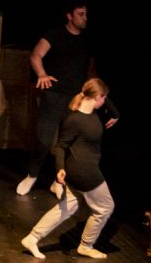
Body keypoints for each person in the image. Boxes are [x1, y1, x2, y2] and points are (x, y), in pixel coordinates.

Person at [16, 1, 118, 197]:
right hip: (53, 95)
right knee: (43, 140)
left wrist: (106, 104)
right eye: (81, 14)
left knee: (68, 144)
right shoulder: (54, 35)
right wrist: (42, 74)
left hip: (76, 99)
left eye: (86, 15)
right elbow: (36, 55)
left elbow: (91, 72)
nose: (85, 18)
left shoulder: (88, 41)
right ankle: (32, 175)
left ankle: (58, 181)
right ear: (69, 16)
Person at [20, 78, 119, 259]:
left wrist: (102, 93)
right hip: (84, 171)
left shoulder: (93, 114)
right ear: (97, 97)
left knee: (68, 206)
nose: (105, 102)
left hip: (81, 169)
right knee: (105, 207)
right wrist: (59, 169)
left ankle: (32, 238)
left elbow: (113, 111)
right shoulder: (75, 119)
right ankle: (86, 245)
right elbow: (61, 146)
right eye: (103, 98)